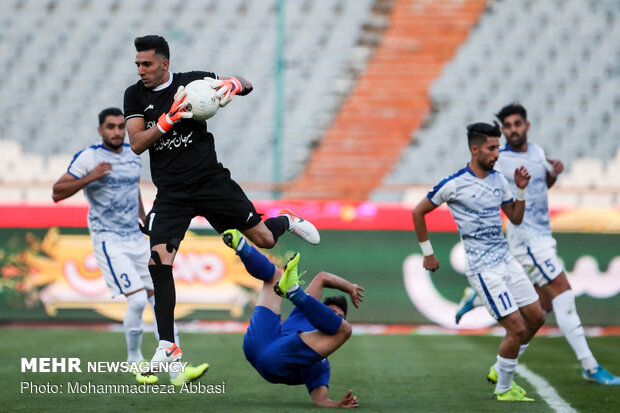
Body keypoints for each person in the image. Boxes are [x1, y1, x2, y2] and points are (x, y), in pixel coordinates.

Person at [123, 35, 320, 366]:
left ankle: (285, 219)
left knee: (266, 239)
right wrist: (169, 119)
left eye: (147, 64)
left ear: (164, 64)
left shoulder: (193, 83)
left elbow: (247, 84)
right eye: (138, 64)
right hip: (172, 193)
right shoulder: (135, 95)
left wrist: (233, 84)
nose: (141, 69)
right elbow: (138, 143)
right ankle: (168, 345)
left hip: (211, 182)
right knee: (158, 264)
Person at [455, 103, 620, 385]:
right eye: (507, 126)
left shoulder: (538, 152)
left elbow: (542, 186)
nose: (512, 130)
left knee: (540, 308)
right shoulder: (500, 159)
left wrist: (552, 173)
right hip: (525, 237)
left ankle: (487, 324)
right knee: (562, 292)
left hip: (544, 235)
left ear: (527, 126)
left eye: (517, 124)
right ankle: (590, 366)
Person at [52, 107, 208, 386]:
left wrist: (143, 215)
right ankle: (135, 361)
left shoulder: (132, 155)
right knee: (137, 300)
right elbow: (57, 192)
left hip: (136, 237)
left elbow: (132, 188)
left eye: (120, 127)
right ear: (100, 130)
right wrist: (90, 177)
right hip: (108, 240)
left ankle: (176, 371)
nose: (116, 132)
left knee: (160, 301)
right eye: (110, 127)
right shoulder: (89, 157)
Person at [412, 122, 546, 402]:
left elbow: (516, 218)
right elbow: (418, 211)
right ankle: (505, 388)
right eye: (492, 148)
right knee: (516, 328)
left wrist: (521, 190)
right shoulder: (455, 184)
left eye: (497, 148)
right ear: (475, 149)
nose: (497, 154)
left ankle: (500, 365)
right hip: (483, 268)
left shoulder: (499, 180)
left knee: (536, 317)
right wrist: (428, 252)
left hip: (506, 260)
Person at [221, 228, 362, 408]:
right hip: (259, 341)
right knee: (275, 277)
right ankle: (242, 246)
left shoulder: (321, 364)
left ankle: (293, 291)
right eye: (333, 313)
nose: (336, 317)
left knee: (343, 328)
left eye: (339, 316)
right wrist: (349, 287)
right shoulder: (306, 312)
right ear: (319, 308)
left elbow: (320, 400)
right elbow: (322, 278)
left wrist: (339, 404)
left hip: (274, 361)